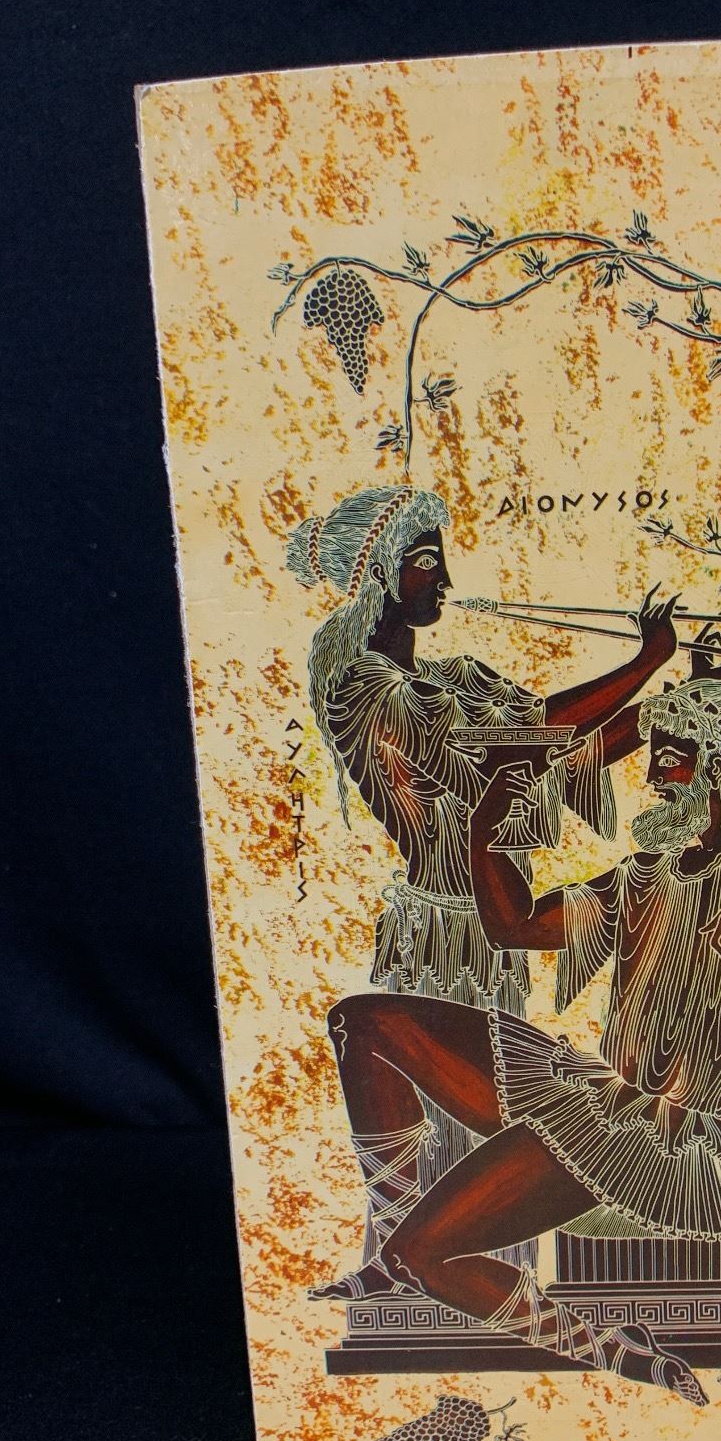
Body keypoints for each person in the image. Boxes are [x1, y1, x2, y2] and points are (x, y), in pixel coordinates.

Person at [321, 676, 721, 1402]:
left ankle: (617, 1352)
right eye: (654, 756)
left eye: (671, 756)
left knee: (423, 1258)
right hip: (585, 1093)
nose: (654, 775)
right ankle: (392, 1223)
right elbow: (515, 926)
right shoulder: (645, 875)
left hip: (651, 1138)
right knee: (364, 1023)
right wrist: (484, 830)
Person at [286, 483, 685, 1293]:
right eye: (424, 562)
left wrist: (666, 711)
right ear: (379, 574)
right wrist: (645, 664)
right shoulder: (367, 692)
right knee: (439, 1115)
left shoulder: (455, 678)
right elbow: (528, 742)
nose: (444, 579)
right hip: (438, 934)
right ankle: (407, 1280)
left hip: (497, 928)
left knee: (493, 1132)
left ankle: (474, 1291)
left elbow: (562, 754)